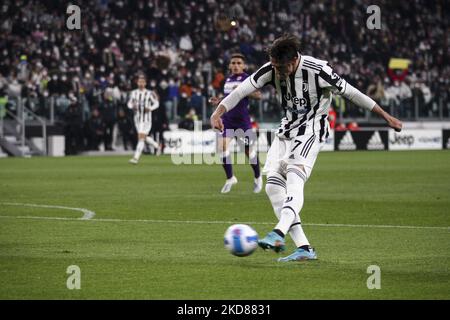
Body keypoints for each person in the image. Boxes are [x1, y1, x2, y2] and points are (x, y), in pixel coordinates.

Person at [210, 35, 402, 262]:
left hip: (312, 128)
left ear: (293, 61)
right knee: (272, 186)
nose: (276, 70)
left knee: (294, 177)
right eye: (273, 65)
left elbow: (351, 93)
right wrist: (218, 112)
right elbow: (240, 91)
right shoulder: (271, 69)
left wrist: (385, 116)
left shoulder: (318, 70)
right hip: (286, 129)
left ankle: (278, 232)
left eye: (280, 67)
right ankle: (304, 248)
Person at [209, 53, 263, 194]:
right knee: (221, 147)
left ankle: (258, 177)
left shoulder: (247, 79)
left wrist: (242, 92)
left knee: (248, 151)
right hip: (228, 120)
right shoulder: (227, 80)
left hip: (243, 122)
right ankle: (230, 178)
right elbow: (229, 98)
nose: (235, 65)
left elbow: (258, 95)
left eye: (239, 63)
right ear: (229, 66)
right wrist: (219, 100)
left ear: (244, 66)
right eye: (233, 63)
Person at [127, 74, 160, 164]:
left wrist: (150, 108)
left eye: (143, 82)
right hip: (137, 119)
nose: (141, 83)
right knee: (143, 137)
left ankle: (135, 158)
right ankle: (157, 145)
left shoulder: (149, 93)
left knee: (141, 138)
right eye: (139, 82)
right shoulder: (134, 93)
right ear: (137, 83)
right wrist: (132, 106)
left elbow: (156, 103)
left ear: (145, 83)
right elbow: (129, 103)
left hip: (146, 120)